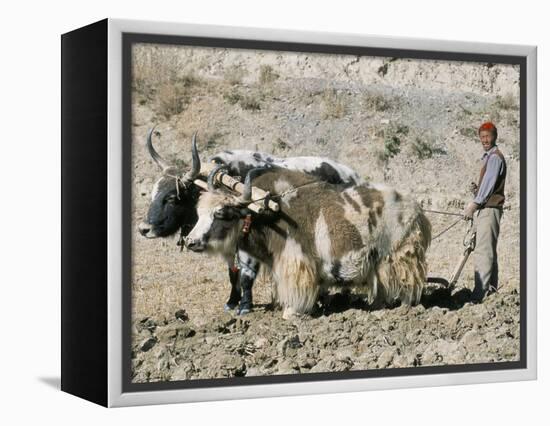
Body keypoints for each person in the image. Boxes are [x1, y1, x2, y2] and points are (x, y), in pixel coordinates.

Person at [463, 122, 507, 301]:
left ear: (494, 136)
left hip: (489, 209)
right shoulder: (489, 158)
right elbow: (488, 186)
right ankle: (490, 291)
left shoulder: (495, 158)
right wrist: (477, 190)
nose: (485, 140)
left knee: (483, 251)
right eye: (482, 137)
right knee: (488, 250)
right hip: (489, 208)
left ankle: (479, 294)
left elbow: (488, 187)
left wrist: (473, 205)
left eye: (488, 136)